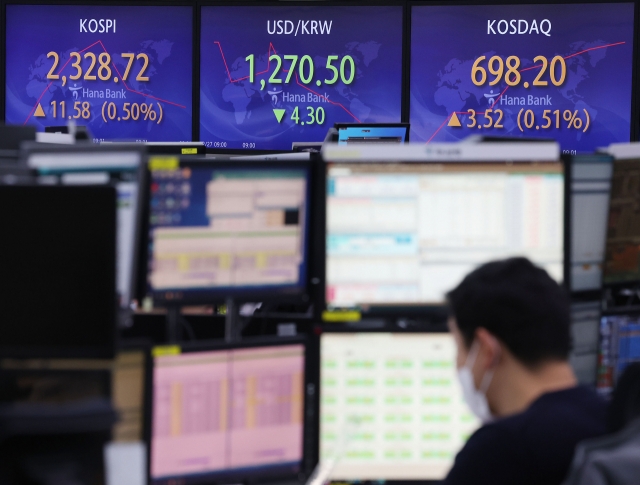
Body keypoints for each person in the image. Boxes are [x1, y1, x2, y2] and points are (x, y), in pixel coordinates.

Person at [444, 257, 607, 485]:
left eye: (459, 347)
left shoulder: (501, 450)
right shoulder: (613, 420)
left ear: (486, 349)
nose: (459, 363)